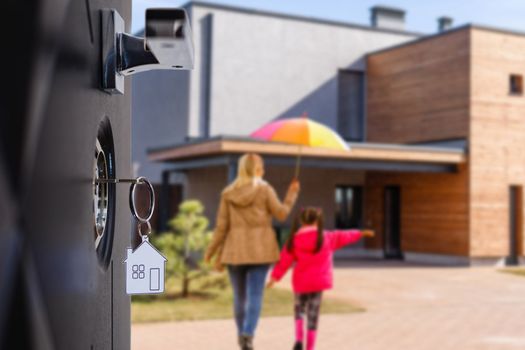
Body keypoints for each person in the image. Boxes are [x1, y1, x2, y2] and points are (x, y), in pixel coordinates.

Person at [205, 153, 300, 350]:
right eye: (262, 167)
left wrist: (211, 251)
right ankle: (248, 333)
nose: (263, 171)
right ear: (257, 169)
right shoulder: (265, 190)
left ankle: (242, 337)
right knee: (255, 295)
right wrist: (291, 195)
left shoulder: (228, 193)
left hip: (235, 251)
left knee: (239, 297)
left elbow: (221, 227)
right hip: (261, 250)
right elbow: (281, 214)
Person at [267, 207, 374, 350]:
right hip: (318, 283)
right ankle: (310, 348)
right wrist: (361, 233)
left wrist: (274, 278)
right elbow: (345, 235)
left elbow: (284, 261)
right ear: (317, 221)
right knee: (313, 315)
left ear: (301, 221)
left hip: (301, 283)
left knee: (299, 310)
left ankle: (299, 339)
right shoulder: (328, 237)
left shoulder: (294, 240)